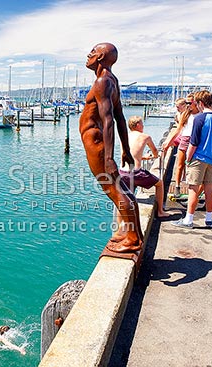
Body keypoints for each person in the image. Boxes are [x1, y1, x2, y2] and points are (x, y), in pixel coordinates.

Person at [79, 42, 143, 254]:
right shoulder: (112, 80)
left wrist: (109, 158)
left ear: (101, 57)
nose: (88, 55)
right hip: (98, 141)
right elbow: (121, 117)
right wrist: (124, 148)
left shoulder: (101, 82)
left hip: (95, 140)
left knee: (112, 189)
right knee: (120, 187)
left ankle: (132, 239)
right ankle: (134, 234)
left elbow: (109, 121)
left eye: (93, 52)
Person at [172, 90, 212, 229]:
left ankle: (188, 219)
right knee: (208, 189)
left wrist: (188, 160)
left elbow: (193, 143)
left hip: (198, 158)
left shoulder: (199, 119)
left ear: (200, 103)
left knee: (193, 189)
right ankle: (209, 219)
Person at [121, 116, 171, 217]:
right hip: (136, 173)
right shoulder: (145, 137)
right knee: (160, 184)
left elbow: (130, 154)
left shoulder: (125, 136)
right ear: (138, 125)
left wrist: (143, 157)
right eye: (142, 123)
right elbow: (155, 152)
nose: (143, 125)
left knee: (128, 195)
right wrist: (154, 156)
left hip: (122, 172)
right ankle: (160, 212)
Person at [168, 94, 198, 198]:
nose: (188, 105)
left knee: (192, 166)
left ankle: (192, 189)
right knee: (180, 164)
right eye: (187, 103)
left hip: (195, 140)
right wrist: (168, 142)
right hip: (185, 138)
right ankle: (177, 186)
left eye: (190, 103)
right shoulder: (185, 114)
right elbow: (178, 129)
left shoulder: (200, 114)